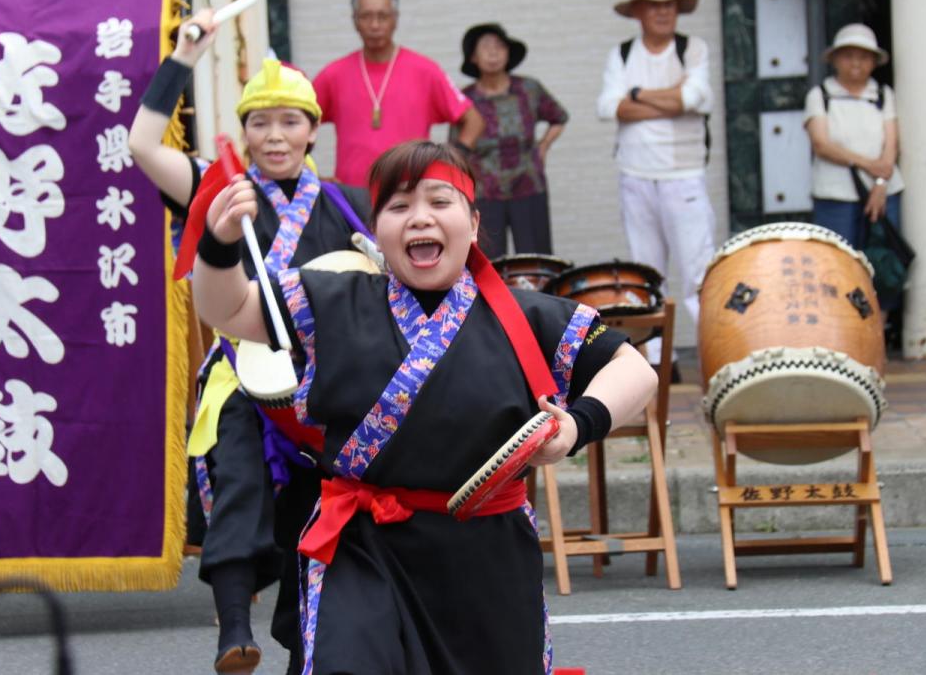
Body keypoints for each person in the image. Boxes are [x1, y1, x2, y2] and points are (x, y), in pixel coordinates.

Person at [193, 139, 657, 674]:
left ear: (474, 221)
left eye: (440, 202)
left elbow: (633, 371)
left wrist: (577, 425)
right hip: (363, 548)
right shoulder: (331, 300)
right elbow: (226, 308)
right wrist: (221, 241)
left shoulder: (528, 316)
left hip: (487, 552)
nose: (419, 219)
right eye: (398, 206)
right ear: (376, 228)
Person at [128, 7, 372, 674]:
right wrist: (185, 55)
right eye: (259, 122)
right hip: (244, 371)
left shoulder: (350, 205)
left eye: (289, 120)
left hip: (327, 384)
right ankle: (233, 629)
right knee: (237, 476)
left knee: (318, 519)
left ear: (313, 129)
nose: (274, 135)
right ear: (243, 131)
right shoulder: (223, 189)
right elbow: (144, 147)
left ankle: (307, 653)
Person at [596, 0, 715, 378]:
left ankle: (713, 361)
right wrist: (666, 99)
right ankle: (661, 367)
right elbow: (609, 107)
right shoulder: (623, 53)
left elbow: (692, 98)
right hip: (635, 175)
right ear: (639, 12)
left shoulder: (692, 48)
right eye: (654, 5)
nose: (664, 12)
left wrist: (638, 95)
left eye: (671, 5)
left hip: (684, 176)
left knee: (698, 276)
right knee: (647, 277)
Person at [313, 0, 484, 187]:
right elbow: (299, 121)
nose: (375, 25)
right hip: (352, 194)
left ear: (395, 20)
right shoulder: (334, 73)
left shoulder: (425, 70)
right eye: (366, 16)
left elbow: (473, 121)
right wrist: (308, 174)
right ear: (355, 21)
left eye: (382, 16)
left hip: (410, 189)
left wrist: (448, 166)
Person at [454, 23, 568, 259]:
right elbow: (458, 149)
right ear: (473, 57)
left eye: (500, 47)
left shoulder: (529, 88)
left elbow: (559, 117)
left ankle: (539, 297)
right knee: (489, 260)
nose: (494, 53)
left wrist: (543, 146)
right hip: (485, 191)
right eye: (486, 48)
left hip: (528, 185)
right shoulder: (465, 98)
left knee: (537, 258)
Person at [803, 22, 903, 266]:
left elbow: (891, 143)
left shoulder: (882, 94)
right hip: (835, 193)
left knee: (883, 262)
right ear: (835, 60)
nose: (856, 63)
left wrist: (880, 182)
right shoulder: (820, 95)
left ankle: (883, 306)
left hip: (883, 192)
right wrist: (868, 165)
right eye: (848, 57)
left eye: (864, 57)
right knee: (837, 262)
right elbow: (821, 144)